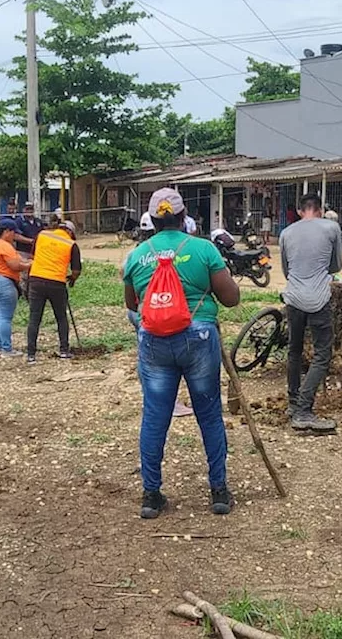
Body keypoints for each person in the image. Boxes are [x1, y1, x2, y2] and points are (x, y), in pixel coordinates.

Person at [122, 188, 241, 519]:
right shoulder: (203, 249)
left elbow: (133, 304)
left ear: (153, 219)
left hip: (154, 341)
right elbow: (231, 299)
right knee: (208, 414)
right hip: (199, 339)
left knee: (155, 417)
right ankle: (218, 492)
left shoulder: (137, 255)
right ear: (183, 214)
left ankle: (151, 496)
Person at [279, 193, 341, 432]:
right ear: (320, 209)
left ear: (300, 209)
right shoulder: (331, 227)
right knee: (322, 355)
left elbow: (286, 270)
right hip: (318, 298)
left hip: (293, 298)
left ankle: (293, 403)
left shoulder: (286, 233)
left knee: (294, 351)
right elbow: (335, 265)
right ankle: (304, 410)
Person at [25, 215, 83, 364]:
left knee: (34, 318)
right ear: (70, 232)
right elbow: (76, 270)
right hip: (56, 283)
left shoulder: (42, 235)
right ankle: (64, 350)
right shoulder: (71, 244)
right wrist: (72, 279)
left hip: (36, 280)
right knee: (61, 317)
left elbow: (33, 256)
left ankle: (31, 354)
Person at [0, 218, 31, 357]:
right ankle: (7, 349)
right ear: (6, 231)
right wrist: (29, 265)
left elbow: (17, 260)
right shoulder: (5, 246)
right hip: (5, 282)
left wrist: (25, 261)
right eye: (14, 233)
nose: (15, 236)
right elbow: (15, 265)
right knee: (6, 317)